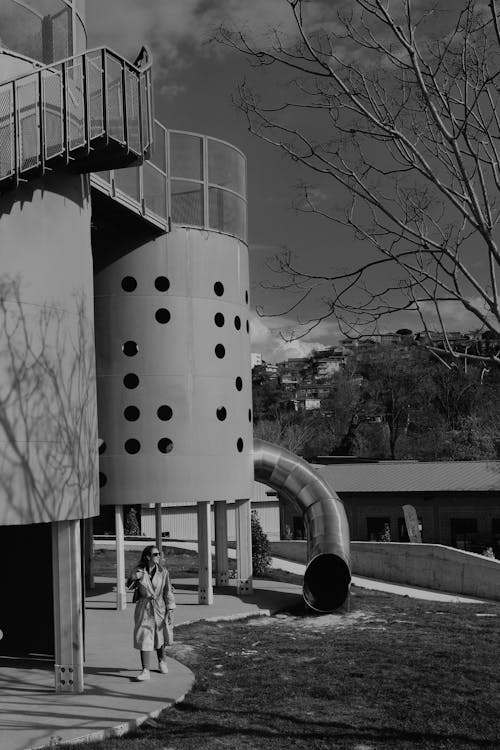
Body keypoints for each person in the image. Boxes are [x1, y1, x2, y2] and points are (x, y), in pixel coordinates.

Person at [127, 544, 176, 681]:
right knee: (144, 637)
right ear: (148, 556)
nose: (158, 557)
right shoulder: (139, 570)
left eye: (159, 554)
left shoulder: (163, 572)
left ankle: (162, 661)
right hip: (144, 606)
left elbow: (168, 590)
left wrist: (170, 608)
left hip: (159, 606)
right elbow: (129, 586)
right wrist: (133, 577)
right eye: (155, 554)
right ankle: (145, 670)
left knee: (159, 635)